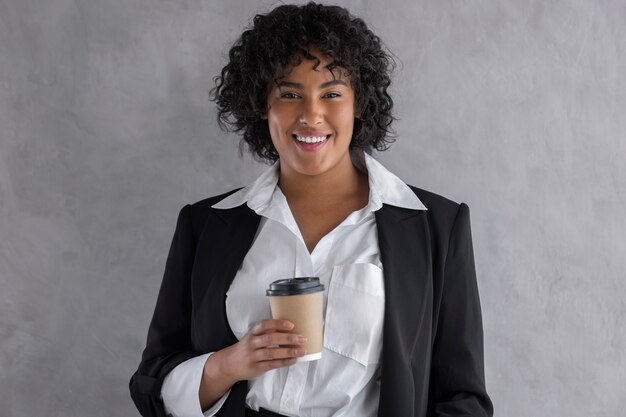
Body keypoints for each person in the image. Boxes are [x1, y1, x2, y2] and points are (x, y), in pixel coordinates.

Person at [129, 3, 493, 417]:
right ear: (261, 104)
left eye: (332, 93)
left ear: (359, 103)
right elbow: (150, 385)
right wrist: (228, 365)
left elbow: (464, 400)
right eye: (289, 93)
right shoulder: (205, 224)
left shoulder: (436, 228)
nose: (310, 114)